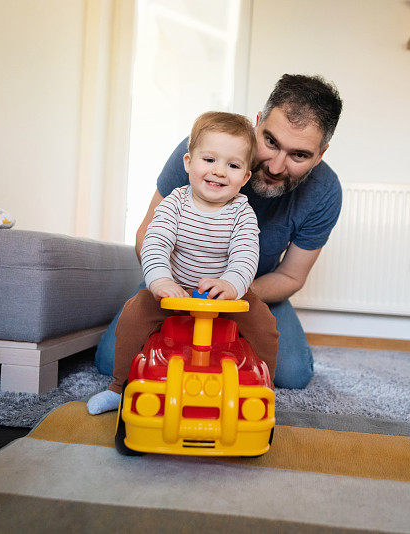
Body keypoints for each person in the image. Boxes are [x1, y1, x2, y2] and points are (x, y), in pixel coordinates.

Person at [95, 73, 343, 390]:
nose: (277, 166)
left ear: (320, 155)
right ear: (258, 123)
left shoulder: (325, 191)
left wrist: (228, 294)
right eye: (270, 142)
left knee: (292, 374)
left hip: (249, 289)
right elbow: (147, 236)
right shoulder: (202, 154)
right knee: (109, 361)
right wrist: (172, 288)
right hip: (176, 284)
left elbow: (291, 277)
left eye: (299, 155)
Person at [88, 111, 279, 414]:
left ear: (244, 177)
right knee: (133, 315)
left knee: (265, 324)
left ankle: (260, 391)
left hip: (224, 298)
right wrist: (161, 280)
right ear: (189, 163)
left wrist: (231, 284)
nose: (219, 172)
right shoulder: (174, 204)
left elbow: (245, 255)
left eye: (232, 165)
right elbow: (155, 243)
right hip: (174, 291)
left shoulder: (243, 213)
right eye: (209, 160)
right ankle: (119, 387)